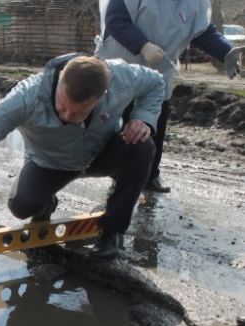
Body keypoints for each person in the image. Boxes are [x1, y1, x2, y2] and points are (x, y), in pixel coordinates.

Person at [0, 54, 165, 261]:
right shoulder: (27, 96)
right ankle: (45, 204)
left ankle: (110, 231)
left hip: (101, 154)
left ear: (102, 95)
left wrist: (143, 118)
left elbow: (156, 82)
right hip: (50, 163)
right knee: (22, 205)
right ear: (61, 78)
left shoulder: (120, 77)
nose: (67, 117)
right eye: (63, 107)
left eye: (78, 113)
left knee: (143, 147)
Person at [94, 0, 242, 193]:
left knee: (156, 126)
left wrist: (226, 51)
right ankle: (119, 176)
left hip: (160, 72)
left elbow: (203, 31)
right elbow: (116, 20)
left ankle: (150, 175)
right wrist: (143, 46)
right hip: (122, 68)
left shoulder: (194, 2)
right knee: (121, 126)